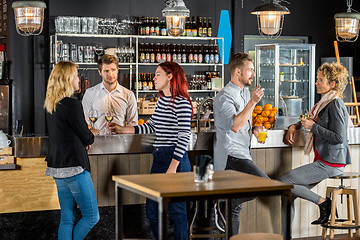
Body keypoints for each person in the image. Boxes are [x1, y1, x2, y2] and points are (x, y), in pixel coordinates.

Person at [108, 62, 193, 240]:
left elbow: (184, 137)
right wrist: (124, 129)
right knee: (152, 211)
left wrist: (172, 168)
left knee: (177, 212)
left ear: (170, 76)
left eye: (157, 74)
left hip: (174, 160)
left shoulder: (182, 102)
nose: (153, 78)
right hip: (159, 157)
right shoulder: (162, 100)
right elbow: (151, 126)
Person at [280, 62, 351, 231]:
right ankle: (285, 236)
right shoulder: (325, 103)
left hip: (331, 162)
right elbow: (311, 119)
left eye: (320, 80)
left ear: (332, 84)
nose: (316, 83)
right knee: (287, 193)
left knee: (284, 182)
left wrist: (314, 127)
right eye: (317, 80)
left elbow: (339, 137)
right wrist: (294, 126)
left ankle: (324, 203)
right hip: (324, 160)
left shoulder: (335, 104)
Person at [213, 52, 268, 236]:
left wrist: (254, 128)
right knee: (264, 184)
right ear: (238, 72)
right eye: (250, 70)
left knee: (234, 212)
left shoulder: (244, 92)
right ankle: (222, 203)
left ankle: (225, 207)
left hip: (243, 152)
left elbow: (242, 122)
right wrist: (253, 102)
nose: (253, 74)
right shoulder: (225, 97)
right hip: (231, 156)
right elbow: (234, 126)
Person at [44, 61, 99, 240]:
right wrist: (91, 135)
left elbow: (66, 133)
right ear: (67, 79)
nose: (79, 79)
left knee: (67, 218)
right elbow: (87, 136)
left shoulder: (52, 105)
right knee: (92, 217)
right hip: (74, 167)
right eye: (76, 75)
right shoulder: (73, 104)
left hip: (56, 167)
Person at [82, 54, 138, 135]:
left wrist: (123, 131)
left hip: (121, 144)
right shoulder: (90, 93)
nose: (110, 74)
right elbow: (84, 121)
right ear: (100, 72)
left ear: (118, 70)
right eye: (106, 71)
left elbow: (133, 124)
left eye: (113, 70)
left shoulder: (129, 95)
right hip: (97, 143)